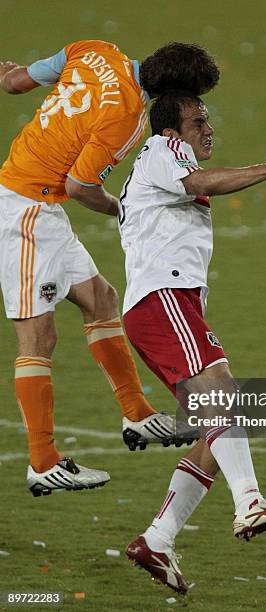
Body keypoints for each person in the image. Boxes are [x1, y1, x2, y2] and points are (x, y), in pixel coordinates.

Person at [0, 41, 219, 496]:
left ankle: (138, 414)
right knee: (37, 336)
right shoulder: (129, 117)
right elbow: (79, 185)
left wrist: (8, 77)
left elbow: (18, 81)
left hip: (43, 206)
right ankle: (43, 462)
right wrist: (125, 209)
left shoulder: (94, 49)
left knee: (101, 299)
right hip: (22, 210)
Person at [119, 91, 266, 593]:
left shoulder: (151, 165)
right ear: (172, 130)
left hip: (167, 304)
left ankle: (158, 539)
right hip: (163, 299)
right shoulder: (164, 149)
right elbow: (200, 182)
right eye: (197, 121)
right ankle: (250, 502)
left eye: (207, 120)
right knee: (222, 397)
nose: (207, 129)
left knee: (218, 424)